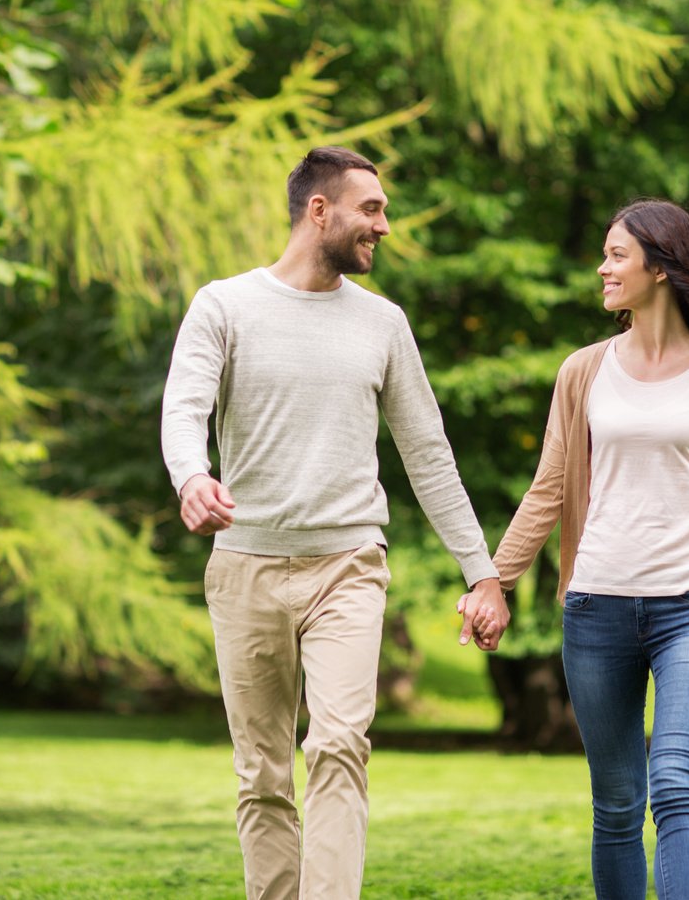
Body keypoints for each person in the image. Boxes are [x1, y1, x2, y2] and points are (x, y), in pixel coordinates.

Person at [161, 146, 509, 900]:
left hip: (347, 564)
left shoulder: (382, 323)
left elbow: (426, 452)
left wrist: (479, 567)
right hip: (246, 564)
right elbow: (183, 407)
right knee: (261, 775)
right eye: (371, 209)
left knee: (341, 744)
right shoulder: (224, 305)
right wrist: (191, 474)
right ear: (319, 210)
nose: (383, 225)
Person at [474, 199, 689, 900]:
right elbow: (548, 489)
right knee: (617, 803)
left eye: (616, 254)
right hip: (597, 607)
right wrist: (493, 579)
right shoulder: (583, 371)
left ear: (659, 265)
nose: (602, 267)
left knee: (678, 781)